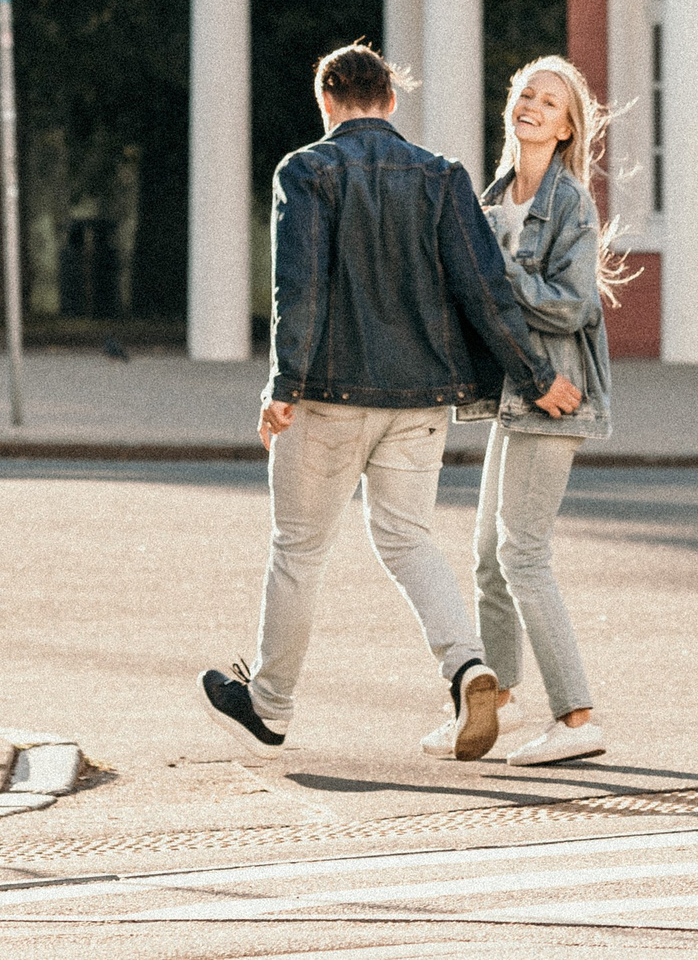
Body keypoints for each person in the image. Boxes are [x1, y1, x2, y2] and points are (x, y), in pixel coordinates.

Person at [199, 42, 579, 764]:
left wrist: (283, 386)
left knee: (299, 548)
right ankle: (470, 668)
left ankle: (270, 705)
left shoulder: (305, 169)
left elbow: (299, 288)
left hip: (330, 396)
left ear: (326, 101)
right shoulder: (442, 177)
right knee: (409, 539)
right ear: (392, 100)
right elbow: (483, 288)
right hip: (419, 400)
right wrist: (535, 376)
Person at [430, 55, 623, 768]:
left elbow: (574, 302)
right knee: (487, 554)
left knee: (522, 553)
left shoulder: (570, 201)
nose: (531, 106)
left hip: (557, 387)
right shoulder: (495, 195)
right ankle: (501, 702)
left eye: (548, 100)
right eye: (524, 95)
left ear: (568, 124)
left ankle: (576, 715)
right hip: (515, 391)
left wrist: (497, 273)